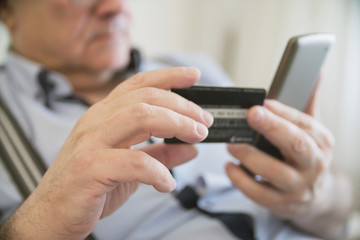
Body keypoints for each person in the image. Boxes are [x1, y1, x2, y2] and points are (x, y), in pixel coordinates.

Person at [0, 0, 353, 239]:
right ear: (8, 12)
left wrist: (316, 198)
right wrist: (41, 219)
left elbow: (341, 214)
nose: (115, 7)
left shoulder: (197, 68)